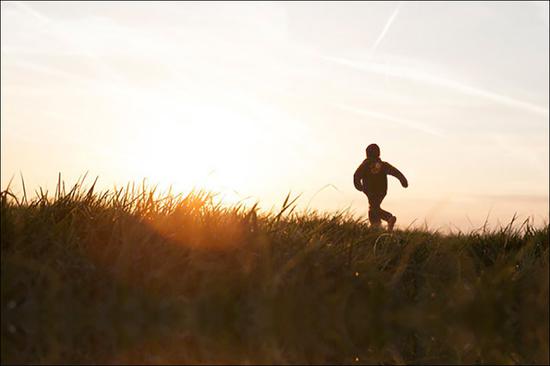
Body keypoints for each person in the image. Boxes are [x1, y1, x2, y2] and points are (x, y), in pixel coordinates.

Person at [353, 143, 408, 230]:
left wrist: (359, 186)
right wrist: (403, 181)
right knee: (374, 207)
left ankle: (388, 218)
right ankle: (376, 226)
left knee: (373, 208)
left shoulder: (365, 165)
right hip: (382, 191)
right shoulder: (383, 165)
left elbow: (356, 175)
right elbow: (396, 172)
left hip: (370, 190)